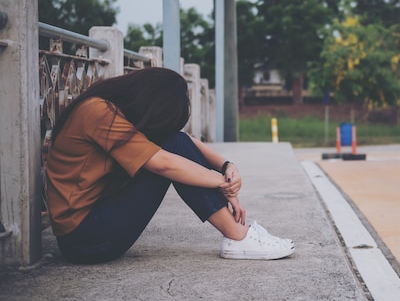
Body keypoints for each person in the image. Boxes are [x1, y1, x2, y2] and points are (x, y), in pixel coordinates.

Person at [46, 67, 294, 264]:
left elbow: (182, 140)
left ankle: (237, 234)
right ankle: (238, 236)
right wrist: (223, 183)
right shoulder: (97, 112)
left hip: (94, 225)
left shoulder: (107, 107)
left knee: (174, 141)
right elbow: (164, 164)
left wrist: (227, 166)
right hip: (85, 238)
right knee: (171, 149)